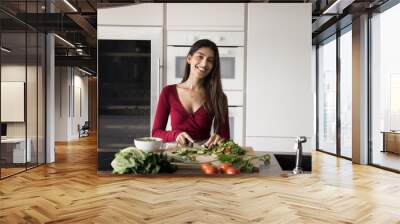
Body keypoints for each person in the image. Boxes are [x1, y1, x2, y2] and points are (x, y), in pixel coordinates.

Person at [152, 39, 230, 148]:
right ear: (189, 59)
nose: (204, 63)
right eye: (200, 57)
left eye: (210, 60)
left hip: (204, 155)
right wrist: (176, 134)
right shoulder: (168, 92)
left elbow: (225, 138)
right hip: (175, 153)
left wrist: (220, 139)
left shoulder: (219, 97)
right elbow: (155, 133)